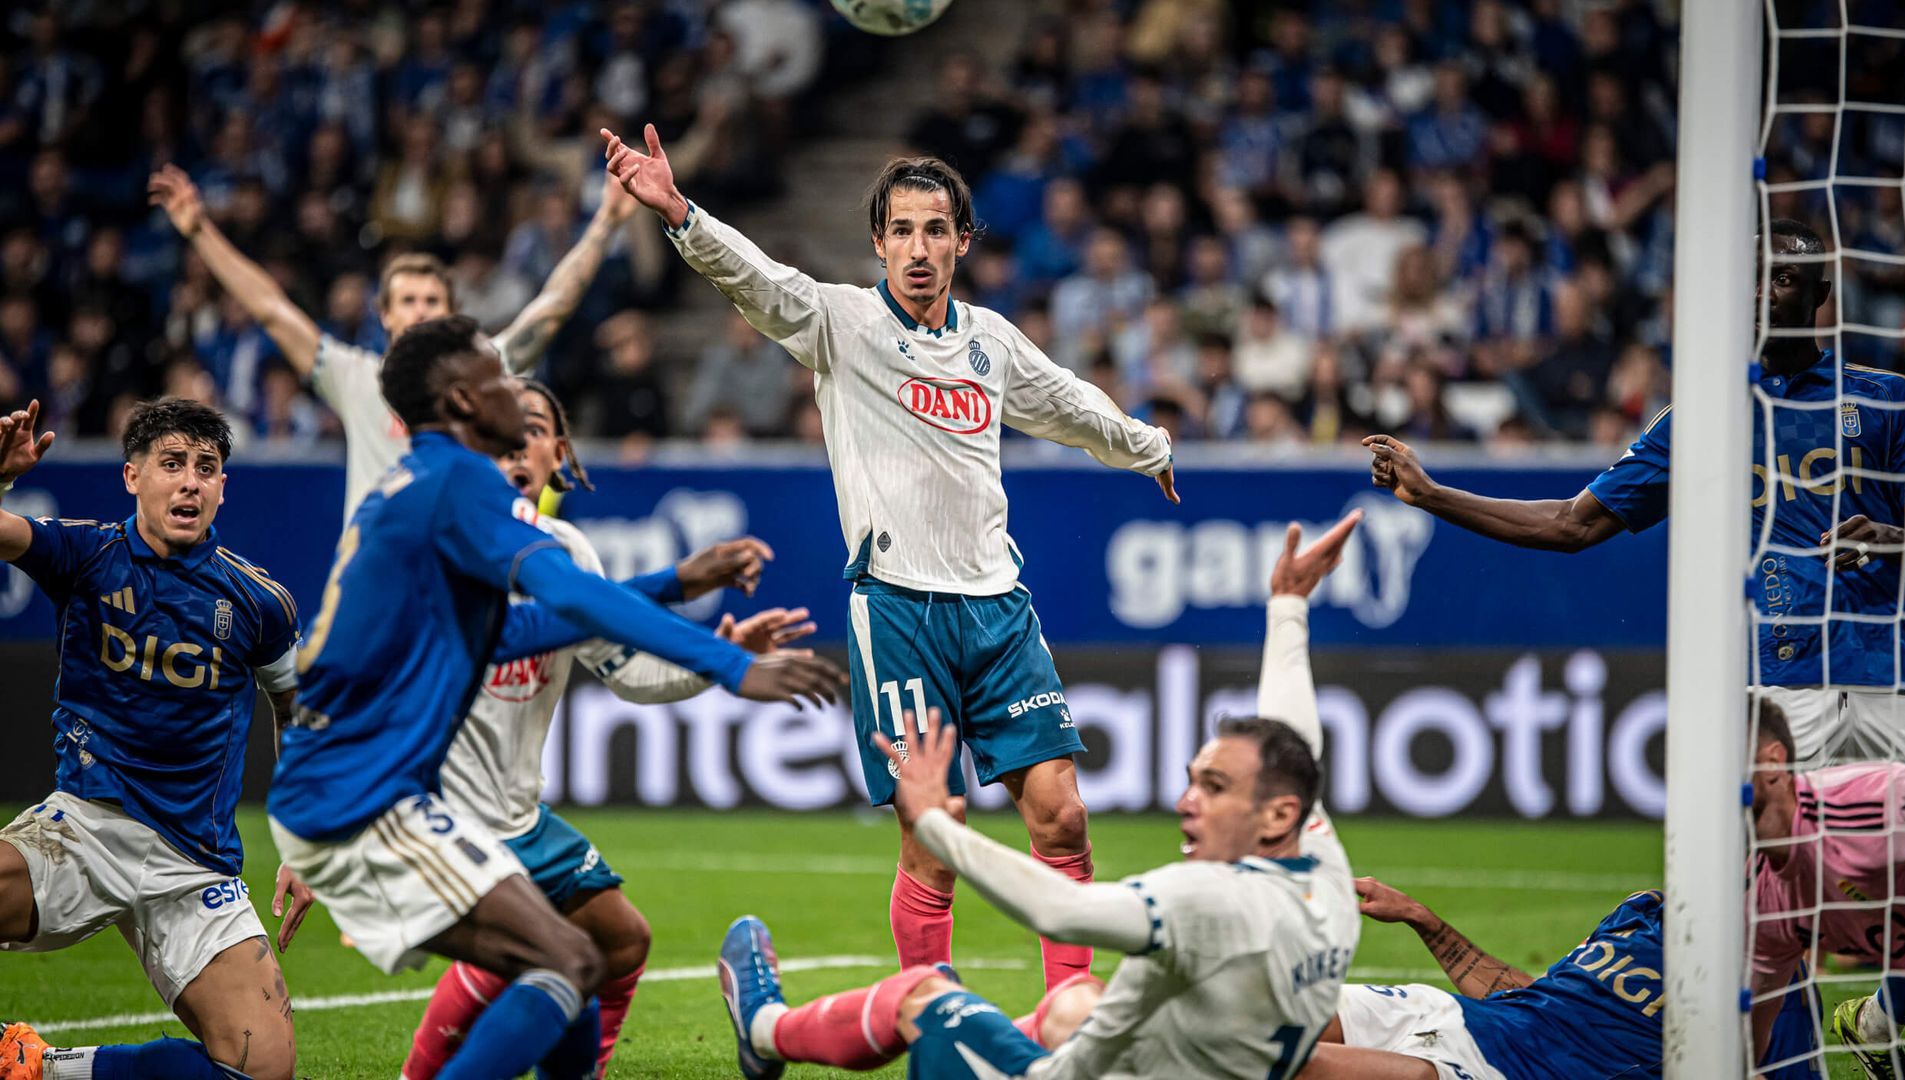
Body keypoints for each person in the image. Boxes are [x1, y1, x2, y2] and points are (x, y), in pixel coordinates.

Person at [603, 124, 1179, 993]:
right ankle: (931, 1015)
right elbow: (758, 283)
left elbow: (1068, 404)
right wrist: (680, 213)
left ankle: (1074, 1012)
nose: (918, 248)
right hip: (901, 609)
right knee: (932, 834)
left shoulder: (990, 341)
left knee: (1061, 817)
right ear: (878, 242)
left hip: (998, 608)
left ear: (962, 243)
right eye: (902, 230)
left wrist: (1148, 447)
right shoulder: (843, 323)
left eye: (935, 230)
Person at [266, 315, 844, 1080]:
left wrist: (673, 583)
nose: (516, 389)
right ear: (466, 400)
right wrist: (732, 668)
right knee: (565, 961)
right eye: (501, 378)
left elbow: (520, 630)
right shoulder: (457, 483)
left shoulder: (422, 482)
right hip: (357, 793)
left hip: (361, 784)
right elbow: (568, 594)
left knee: (576, 958)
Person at [712, 512, 1363, 1080]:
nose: (1186, 802)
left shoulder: (1198, 897)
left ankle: (766, 1025)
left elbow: (1056, 907)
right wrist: (1287, 608)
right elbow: (1294, 747)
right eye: (1194, 781)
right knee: (1076, 1005)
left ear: (1278, 814)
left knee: (928, 999)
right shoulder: (1327, 881)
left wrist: (940, 826)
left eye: (1213, 788)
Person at [1365, 219, 1905, 765]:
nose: (1759, 292)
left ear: (1820, 294)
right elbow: (1570, 523)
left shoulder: (1886, 400)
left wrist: (1896, 536)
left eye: (1782, 278)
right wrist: (1433, 494)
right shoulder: (1700, 419)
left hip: (1898, 677)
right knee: (1773, 854)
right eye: (1750, 276)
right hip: (1785, 685)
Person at [399, 380, 817, 1079]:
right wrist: (676, 590)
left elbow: (631, 674)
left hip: (515, 816)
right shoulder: (441, 540)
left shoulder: (564, 550)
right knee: (544, 952)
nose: (514, 443)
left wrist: (724, 660)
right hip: (439, 814)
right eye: (499, 430)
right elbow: (509, 634)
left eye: (532, 429)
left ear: (557, 454)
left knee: (621, 941)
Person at [0, 399, 312, 1080]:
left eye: (207, 467)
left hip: (193, 863)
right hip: (83, 828)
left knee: (265, 1070)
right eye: (172, 463)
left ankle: (40, 1069)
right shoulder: (86, 553)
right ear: (133, 476)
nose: (191, 481)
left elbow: (297, 708)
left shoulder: (259, 603)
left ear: (223, 486)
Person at [147, 163, 640, 520]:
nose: (420, 311)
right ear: (384, 316)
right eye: (408, 301)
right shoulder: (355, 377)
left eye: (431, 301)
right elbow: (271, 309)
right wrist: (200, 231)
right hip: (373, 594)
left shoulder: (485, 370)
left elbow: (551, 309)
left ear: (450, 315)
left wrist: (607, 222)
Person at [1301, 876, 1820, 1079]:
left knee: (1293, 1063)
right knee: (1271, 1017)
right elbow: (1537, 998)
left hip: (1500, 1074)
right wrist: (1425, 920)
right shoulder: (1644, 910)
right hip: (1450, 1014)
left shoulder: (1776, 981)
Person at [1749, 697, 1905, 1079]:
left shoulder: (1877, 807)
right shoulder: (1761, 905)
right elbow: (1749, 1043)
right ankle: (1874, 1023)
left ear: (1773, 762)